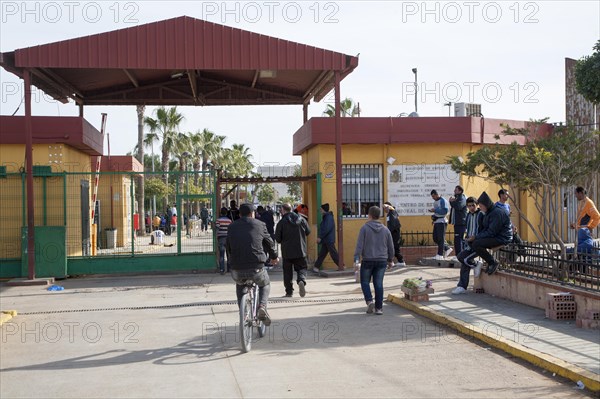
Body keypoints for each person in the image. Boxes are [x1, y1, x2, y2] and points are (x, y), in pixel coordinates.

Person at [226, 203, 278, 326]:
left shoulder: (232, 226)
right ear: (252, 213)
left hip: (237, 268)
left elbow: (228, 246)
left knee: (240, 286)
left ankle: (243, 313)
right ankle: (262, 306)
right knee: (265, 283)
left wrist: (230, 261)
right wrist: (274, 257)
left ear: (239, 214)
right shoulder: (260, 225)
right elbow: (270, 243)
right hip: (256, 267)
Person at [354, 206, 395, 315]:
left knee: (364, 282)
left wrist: (356, 259)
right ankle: (379, 309)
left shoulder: (364, 228)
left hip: (367, 260)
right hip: (382, 260)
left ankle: (369, 301)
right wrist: (390, 260)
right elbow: (391, 246)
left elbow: (359, 245)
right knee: (378, 284)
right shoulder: (386, 230)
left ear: (369, 215)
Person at [465, 191, 512, 277]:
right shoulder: (488, 213)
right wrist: (475, 237)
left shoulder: (497, 213)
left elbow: (492, 232)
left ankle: (492, 262)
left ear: (486, 204)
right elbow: (486, 229)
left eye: (481, 206)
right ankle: (489, 261)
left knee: (476, 243)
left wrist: (476, 237)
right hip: (495, 235)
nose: (480, 208)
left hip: (502, 237)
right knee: (472, 242)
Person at [275, 203, 311, 297]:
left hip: (287, 252)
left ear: (283, 210)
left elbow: (278, 239)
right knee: (302, 268)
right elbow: (308, 232)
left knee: (287, 272)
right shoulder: (302, 219)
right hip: (300, 250)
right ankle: (301, 280)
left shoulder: (281, 222)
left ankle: (289, 291)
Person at [452, 196, 484, 294]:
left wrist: (476, 237)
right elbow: (468, 228)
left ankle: (462, 285)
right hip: (469, 243)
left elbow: (484, 229)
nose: (471, 208)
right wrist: (467, 238)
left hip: (478, 243)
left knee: (465, 260)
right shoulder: (468, 215)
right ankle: (474, 265)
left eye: (473, 205)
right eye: (469, 206)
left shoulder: (481, 215)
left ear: (477, 205)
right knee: (461, 258)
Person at [313, 203, 341, 272]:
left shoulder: (328, 217)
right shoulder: (327, 216)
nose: (320, 211)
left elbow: (326, 228)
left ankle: (341, 265)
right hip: (327, 239)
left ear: (323, 210)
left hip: (328, 239)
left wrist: (320, 237)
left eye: (321, 209)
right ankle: (316, 267)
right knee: (322, 254)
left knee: (333, 253)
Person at [429, 190, 452, 260]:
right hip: (437, 221)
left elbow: (444, 211)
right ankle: (447, 248)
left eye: (433, 196)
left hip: (442, 221)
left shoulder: (443, 201)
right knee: (435, 238)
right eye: (432, 196)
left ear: (437, 194)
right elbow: (437, 212)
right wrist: (434, 218)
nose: (433, 198)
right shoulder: (435, 201)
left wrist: (435, 210)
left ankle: (440, 254)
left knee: (440, 238)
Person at [382, 201, 405, 267]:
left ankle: (401, 261)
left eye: (385, 208)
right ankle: (390, 262)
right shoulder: (390, 213)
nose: (384, 210)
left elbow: (393, 224)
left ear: (388, 207)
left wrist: (390, 232)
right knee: (391, 248)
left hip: (394, 233)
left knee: (395, 247)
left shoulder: (392, 212)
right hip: (392, 233)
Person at [449, 185, 467, 256]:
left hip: (461, 222)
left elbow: (458, 206)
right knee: (457, 239)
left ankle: (459, 255)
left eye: (456, 190)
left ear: (460, 191)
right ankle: (459, 255)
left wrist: (451, 202)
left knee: (458, 239)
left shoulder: (462, 198)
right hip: (457, 222)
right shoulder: (457, 198)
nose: (454, 191)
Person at [215, 207, 232, 274]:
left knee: (221, 255)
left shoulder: (218, 220)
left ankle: (222, 269)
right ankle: (229, 269)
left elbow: (217, 229)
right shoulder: (229, 221)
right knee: (229, 254)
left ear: (221, 213)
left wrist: (216, 237)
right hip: (228, 239)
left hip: (221, 238)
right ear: (226, 213)